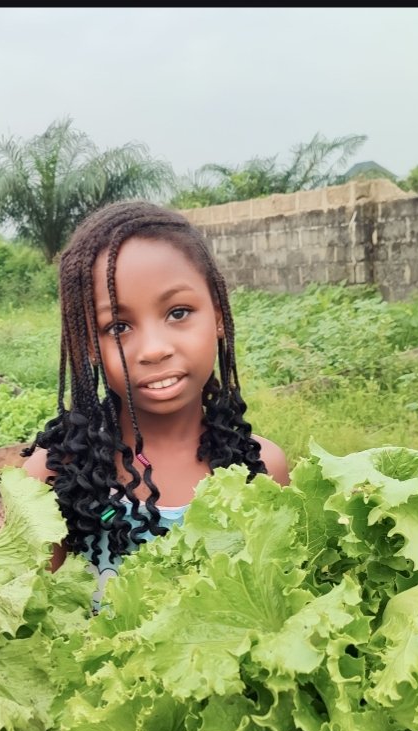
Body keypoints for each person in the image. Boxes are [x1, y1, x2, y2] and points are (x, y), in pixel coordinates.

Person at [22, 200, 290, 611]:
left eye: (178, 312)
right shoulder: (54, 478)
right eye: (119, 327)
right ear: (88, 347)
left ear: (219, 316)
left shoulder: (263, 469)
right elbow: (32, 627)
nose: (154, 349)